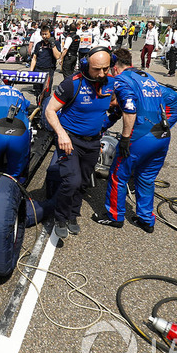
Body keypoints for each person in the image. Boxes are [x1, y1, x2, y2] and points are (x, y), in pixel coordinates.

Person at [93, 49, 177, 233]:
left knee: (118, 176)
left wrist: (125, 139)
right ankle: (146, 220)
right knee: (146, 178)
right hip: (162, 137)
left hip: (140, 137)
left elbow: (129, 108)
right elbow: (176, 102)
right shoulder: (147, 77)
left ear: (115, 68)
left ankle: (115, 217)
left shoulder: (121, 80)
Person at [44, 47, 115, 238]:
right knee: (72, 181)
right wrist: (61, 134)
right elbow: (50, 111)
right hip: (70, 140)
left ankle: (72, 215)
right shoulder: (71, 84)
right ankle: (60, 217)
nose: (101, 74)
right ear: (85, 66)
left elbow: (115, 104)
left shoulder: (111, 84)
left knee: (83, 182)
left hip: (93, 142)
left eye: (105, 69)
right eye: (96, 69)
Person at [29, 24, 59, 96]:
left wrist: (52, 45)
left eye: (46, 34)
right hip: (38, 70)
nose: (44, 36)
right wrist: (30, 71)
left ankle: (44, 106)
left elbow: (57, 56)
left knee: (46, 92)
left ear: (50, 33)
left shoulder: (56, 43)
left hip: (48, 71)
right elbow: (34, 58)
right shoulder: (39, 44)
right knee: (37, 92)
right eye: (42, 34)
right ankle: (38, 106)